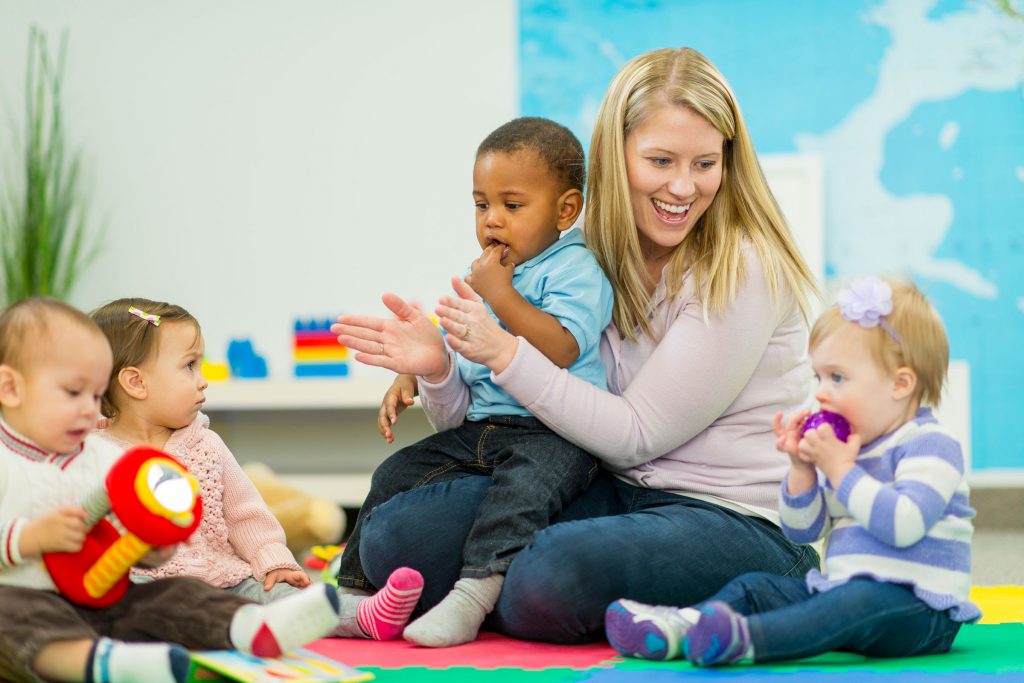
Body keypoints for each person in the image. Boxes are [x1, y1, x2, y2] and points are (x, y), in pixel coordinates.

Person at [331, 46, 821, 644]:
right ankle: (500, 591)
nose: (683, 186)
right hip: (608, 487)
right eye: (660, 160)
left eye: (705, 163)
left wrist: (505, 352)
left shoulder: (743, 267)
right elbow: (480, 411)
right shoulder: (576, 249)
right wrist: (438, 367)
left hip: (729, 514)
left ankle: (768, 589)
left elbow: (637, 433)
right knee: (395, 540)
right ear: (616, 160)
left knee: (550, 576)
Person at [333, 117, 614, 647]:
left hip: (554, 435)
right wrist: (417, 370)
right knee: (397, 471)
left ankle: (474, 595)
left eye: (512, 205)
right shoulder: (492, 275)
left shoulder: (574, 268)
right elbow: (465, 352)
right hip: (485, 428)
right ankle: (354, 595)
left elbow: (562, 346)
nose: (493, 221)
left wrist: (501, 294)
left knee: (518, 497)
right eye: (482, 205)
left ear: (565, 210)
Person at [605, 277, 978, 665]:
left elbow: (904, 524)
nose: (820, 392)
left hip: (921, 609)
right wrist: (801, 469)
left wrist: (841, 470)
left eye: (838, 377)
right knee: (756, 588)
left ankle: (745, 641)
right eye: (818, 377)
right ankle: (683, 627)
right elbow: (803, 531)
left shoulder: (930, 445)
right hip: (843, 592)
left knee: (856, 600)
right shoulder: (849, 451)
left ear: (900, 384)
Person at [0, 297, 340, 683]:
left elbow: (127, 534)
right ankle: (101, 664)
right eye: (73, 393)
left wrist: (152, 547)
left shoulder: (101, 459)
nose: (88, 409)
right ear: (11, 389)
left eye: (95, 396)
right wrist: (29, 538)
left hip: (111, 595)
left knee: (175, 594)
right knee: (10, 615)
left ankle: (250, 628)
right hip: (37, 602)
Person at [90, 298, 423, 640]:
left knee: (282, 597)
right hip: (146, 588)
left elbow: (245, 515)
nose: (202, 381)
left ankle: (363, 614)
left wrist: (275, 561)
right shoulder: (92, 456)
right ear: (136, 383)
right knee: (129, 607)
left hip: (226, 583)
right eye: (189, 366)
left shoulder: (206, 445)